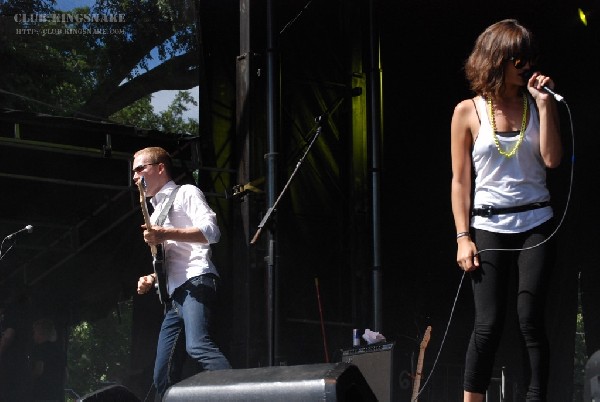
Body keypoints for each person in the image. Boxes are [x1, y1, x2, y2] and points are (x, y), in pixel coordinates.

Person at [450, 19, 562, 402]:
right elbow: (461, 181)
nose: (526, 64)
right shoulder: (468, 111)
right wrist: (464, 237)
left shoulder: (536, 102)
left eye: (529, 56)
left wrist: (546, 107)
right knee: (488, 323)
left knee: (530, 319)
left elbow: (552, 159)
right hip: (489, 224)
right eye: (518, 57)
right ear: (496, 58)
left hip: (536, 221)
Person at [133, 146, 231, 399]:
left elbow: (212, 232)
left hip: (196, 280)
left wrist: (163, 233)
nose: (135, 176)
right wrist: (152, 277)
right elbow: (170, 258)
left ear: (160, 168)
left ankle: (238, 395)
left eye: (140, 168)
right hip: (174, 295)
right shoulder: (157, 211)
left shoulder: (186, 192)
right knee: (161, 374)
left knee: (197, 345)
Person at [31, 318, 66, 402]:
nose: (33, 335)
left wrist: (27, 379)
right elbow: (66, 375)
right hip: (56, 396)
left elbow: (39, 370)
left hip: (41, 395)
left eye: (34, 332)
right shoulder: (60, 351)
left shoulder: (39, 349)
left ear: (39, 333)